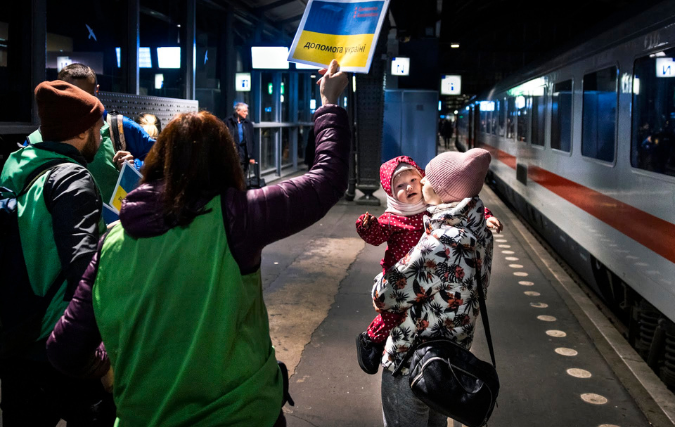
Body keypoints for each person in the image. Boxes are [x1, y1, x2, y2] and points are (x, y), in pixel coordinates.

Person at [46, 60, 350, 427]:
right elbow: (325, 181)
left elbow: (64, 349)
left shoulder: (113, 239)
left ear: (159, 161)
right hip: (242, 415)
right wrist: (330, 104)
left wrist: (108, 362)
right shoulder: (235, 217)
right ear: (225, 163)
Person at [0, 81, 115, 426]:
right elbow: (83, 271)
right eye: (98, 127)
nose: (101, 135)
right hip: (57, 339)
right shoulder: (72, 179)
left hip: (14, 330)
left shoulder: (16, 164)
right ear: (81, 131)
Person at [373, 148, 495, 427]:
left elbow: (384, 294)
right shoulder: (480, 232)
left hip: (411, 361)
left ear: (442, 191)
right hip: (447, 363)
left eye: (430, 178)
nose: (422, 180)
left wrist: (380, 284)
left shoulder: (440, 242)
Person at [354, 156, 502, 375]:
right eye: (400, 186)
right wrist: (367, 226)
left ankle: (376, 341)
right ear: (392, 194)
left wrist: (487, 216)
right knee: (393, 316)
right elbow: (376, 236)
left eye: (416, 180)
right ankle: (371, 339)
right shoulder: (395, 218)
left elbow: (384, 296)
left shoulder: (435, 225)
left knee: (398, 311)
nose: (413, 186)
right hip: (406, 274)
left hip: (420, 297)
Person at [26, 64, 156, 203]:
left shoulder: (119, 127)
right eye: (73, 98)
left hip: (114, 221)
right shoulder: (36, 140)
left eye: (87, 97)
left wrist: (133, 166)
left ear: (96, 91)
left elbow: (161, 160)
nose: (82, 106)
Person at [225, 102, 256, 175]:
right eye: (245, 111)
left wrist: (252, 157)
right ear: (238, 111)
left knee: (243, 177)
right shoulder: (227, 122)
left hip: (244, 155)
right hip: (232, 155)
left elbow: (252, 141)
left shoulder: (248, 124)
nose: (247, 113)